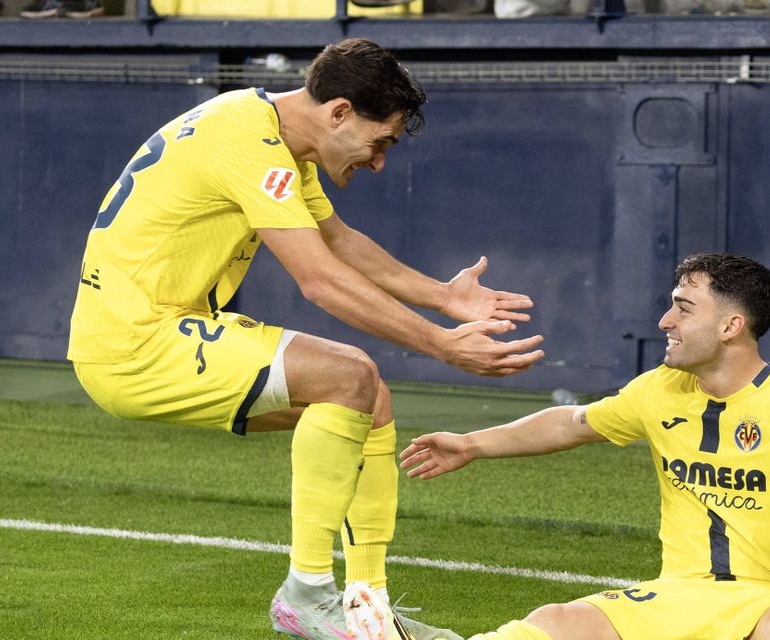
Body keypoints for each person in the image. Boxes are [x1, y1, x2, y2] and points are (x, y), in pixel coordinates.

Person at [67, 38, 544, 640]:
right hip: (134, 342)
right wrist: (442, 344)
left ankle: (364, 610)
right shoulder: (250, 142)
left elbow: (338, 241)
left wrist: (443, 297)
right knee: (347, 375)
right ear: (340, 112)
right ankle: (307, 594)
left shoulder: (267, 132)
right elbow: (319, 279)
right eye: (381, 142)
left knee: (369, 398)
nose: (378, 163)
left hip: (157, 330)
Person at [399, 253, 770, 640]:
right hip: (674, 595)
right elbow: (572, 422)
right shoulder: (659, 391)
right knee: (558, 620)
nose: (665, 321)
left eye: (684, 308)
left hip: (763, 600)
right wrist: (472, 443)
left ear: (732, 325)